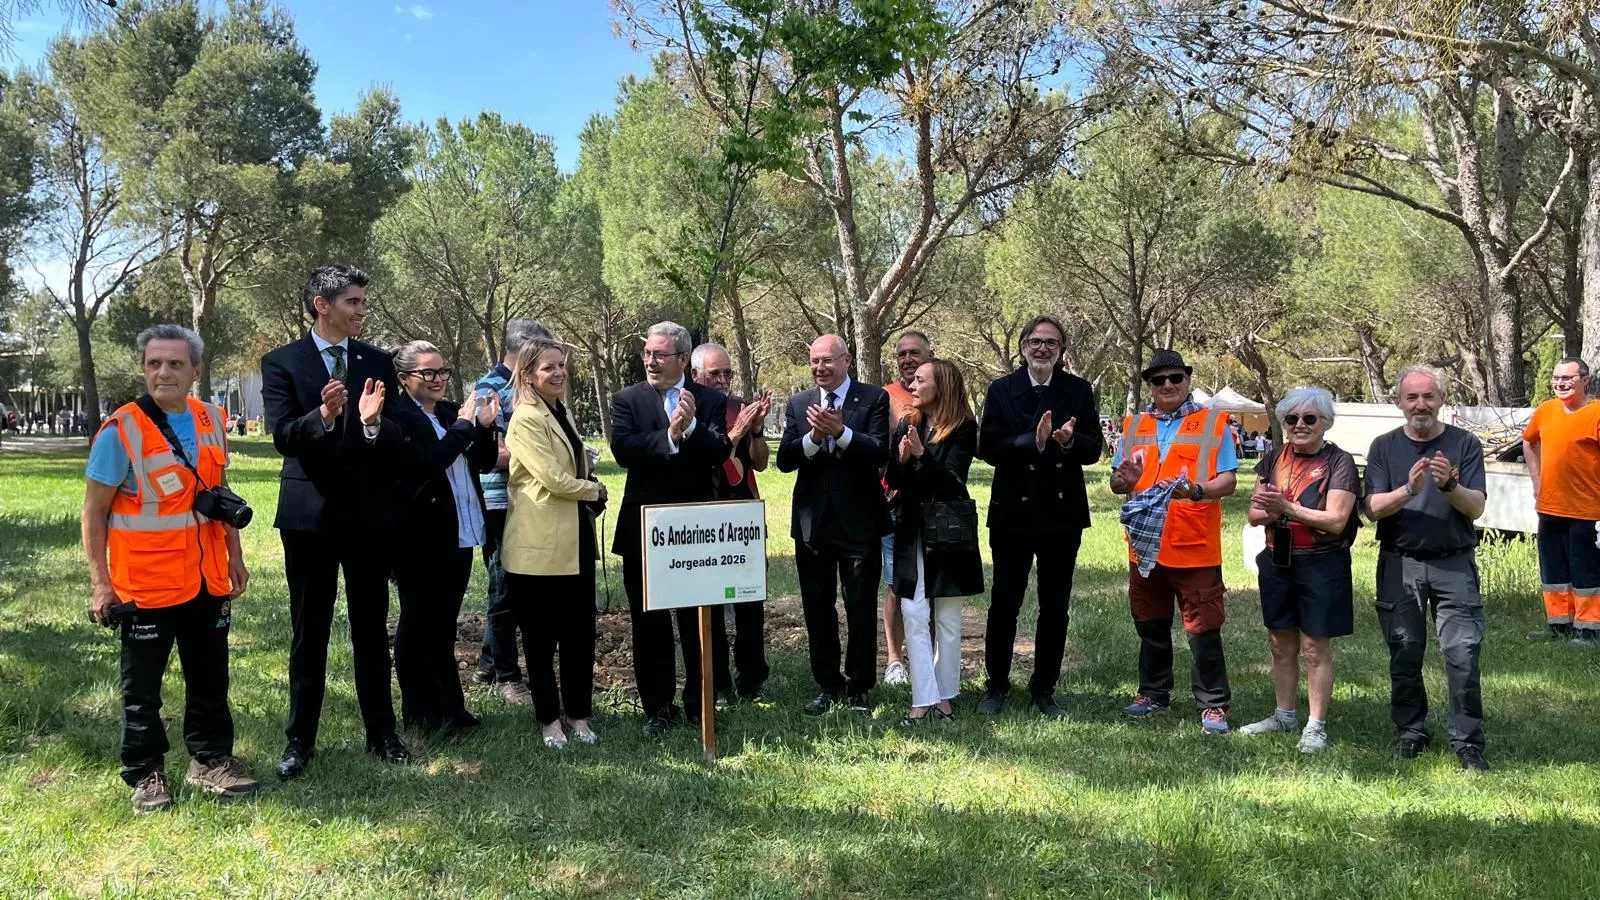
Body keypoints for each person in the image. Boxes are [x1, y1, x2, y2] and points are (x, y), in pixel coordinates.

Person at [82, 324, 258, 813]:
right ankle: (146, 773)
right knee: (143, 690)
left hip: (207, 579)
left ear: (196, 371)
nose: (164, 372)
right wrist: (101, 584)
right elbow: (94, 511)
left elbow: (218, 495)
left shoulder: (211, 418)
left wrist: (235, 556)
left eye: (176, 363)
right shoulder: (122, 430)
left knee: (210, 679)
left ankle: (211, 762)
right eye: (155, 363)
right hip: (145, 586)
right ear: (143, 368)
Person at [260, 262, 408, 779]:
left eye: (364, 303)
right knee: (310, 631)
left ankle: (383, 734)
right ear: (322, 305)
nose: (362, 311)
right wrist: (322, 416)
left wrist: (370, 425)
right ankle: (300, 741)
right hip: (310, 518)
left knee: (371, 629)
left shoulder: (377, 362)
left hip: (368, 517)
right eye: (353, 302)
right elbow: (282, 437)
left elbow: (395, 437)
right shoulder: (282, 363)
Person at [976, 316, 1102, 718]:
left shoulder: (1078, 390)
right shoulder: (1001, 390)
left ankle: (1044, 688)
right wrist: (1034, 440)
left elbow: (1093, 449)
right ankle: (995, 685)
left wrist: (1067, 441)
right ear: (1023, 347)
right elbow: (988, 447)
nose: (1042, 348)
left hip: (1061, 514)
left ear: (1062, 350)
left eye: (1051, 342)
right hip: (1013, 511)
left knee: (1054, 605)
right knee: (1004, 603)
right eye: (1034, 341)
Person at [609, 322, 732, 736]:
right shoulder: (627, 399)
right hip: (644, 528)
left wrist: (692, 427)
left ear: (682, 359)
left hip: (695, 532)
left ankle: (700, 704)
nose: (650, 361)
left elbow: (719, 449)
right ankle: (657, 709)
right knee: (650, 624)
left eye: (659, 354)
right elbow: (624, 450)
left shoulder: (711, 400)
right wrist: (669, 435)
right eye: (647, 353)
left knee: (698, 622)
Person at [1365, 366, 1489, 771]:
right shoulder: (1384, 447)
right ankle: (1411, 731)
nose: (1421, 405)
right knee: (1404, 651)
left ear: (1441, 400)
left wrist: (1450, 486)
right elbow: (1372, 509)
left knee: (1462, 654)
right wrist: (1409, 490)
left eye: (1429, 397)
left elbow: (1476, 507)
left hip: (1454, 562)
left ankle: (1468, 741)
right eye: (1412, 397)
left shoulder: (1464, 443)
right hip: (1400, 562)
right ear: (1399, 402)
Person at [1110, 349, 1238, 733]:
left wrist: (1195, 490)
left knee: (1203, 629)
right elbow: (1118, 483)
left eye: (1175, 378)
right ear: (1148, 384)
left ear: (1187, 380)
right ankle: (1152, 694)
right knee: (1150, 624)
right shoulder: (1133, 425)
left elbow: (1228, 481)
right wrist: (1124, 479)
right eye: (1158, 379)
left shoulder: (1215, 423)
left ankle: (1213, 704)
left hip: (1194, 544)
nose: (1167, 385)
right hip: (1144, 545)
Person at [386, 341, 499, 736]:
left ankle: (452, 708)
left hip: (460, 532)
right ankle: (421, 713)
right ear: (404, 379)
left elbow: (483, 461)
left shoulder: (451, 412)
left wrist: (483, 427)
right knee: (418, 625)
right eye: (427, 373)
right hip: (418, 538)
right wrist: (465, 429)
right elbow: (426, 463)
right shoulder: (396, 417)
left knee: (444, 626)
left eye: (442, 372)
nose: (437, 380)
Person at [777, 334, 892, 716]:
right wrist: (814, 436)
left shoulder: (873, 398)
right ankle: (827, 685)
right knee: (817, 607)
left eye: (827, 361)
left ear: (847, 361)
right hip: (813, 524)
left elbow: (879, 451)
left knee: (859, 606)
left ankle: (859, 687)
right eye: (814, 361)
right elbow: (786, 459)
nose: (820, 368)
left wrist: (841, 433)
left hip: (859, 522)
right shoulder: (799, 403)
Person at [1241, 388, 1359, 753]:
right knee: (1280, 642)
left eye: (1309, 418)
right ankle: (1284, 714)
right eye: (1291, 419)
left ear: (1325, 422)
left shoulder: (1339, 462)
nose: (1299, 425)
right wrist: (1277, 510)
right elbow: (1255, 515)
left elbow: (1337, 520)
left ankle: (1316, 725)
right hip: (1278, 559)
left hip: (1322, 562)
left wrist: (1284, 507)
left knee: (1314, 646)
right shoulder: (1274, 458)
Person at [504, 336, 606, 748]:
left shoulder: (558, 410)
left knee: (580, 636)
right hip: (538, 548)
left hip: (575, 540)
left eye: (561, 365)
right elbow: (552, 479)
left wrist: (587, 472)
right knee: (541, 641)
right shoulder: (526, 418)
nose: (559, 372)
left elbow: (570, 465)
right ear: (527, 374)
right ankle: (549, 721)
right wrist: (594, 491)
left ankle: (578, 716)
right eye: (548, 367)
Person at [885, 359, 983, 725]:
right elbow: (894, 478)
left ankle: (945, 698)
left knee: (948, 619)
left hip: (948, 531)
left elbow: (954, 483)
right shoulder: (907, 424)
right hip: (911, 528)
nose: (912, 383)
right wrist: (901, 458)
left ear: (941, 386)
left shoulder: (963, 428)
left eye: (920, 379)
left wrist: (922, 457)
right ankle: (922, 698)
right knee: (913, 611)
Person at [472, 318, 554, 699]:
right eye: (540, 356)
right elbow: (496, 453)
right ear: (522, 351)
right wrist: (546, 460)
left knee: (514, 583)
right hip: (498, 500)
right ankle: (507, 675)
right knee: (504, 585)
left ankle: (489, 663)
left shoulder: (527, 386)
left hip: (526, 500)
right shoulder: (492, 388)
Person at [691, 342, 773, 704]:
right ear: (696, 375)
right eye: (715, 374)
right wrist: (734, 435)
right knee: (708, 604)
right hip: (703, 519)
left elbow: (758, 464)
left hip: (743, 517)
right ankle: (718, 683)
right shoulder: (686, 407)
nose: (723, 380)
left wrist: (754, 431)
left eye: (728, 373)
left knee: (749, 605)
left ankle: (752, 677)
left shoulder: (740, 407)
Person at [1522, 357, 1600, 645]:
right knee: (1554, 571)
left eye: (1567, 378)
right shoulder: (1546, 411)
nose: (1560, 383)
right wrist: (1537, 481)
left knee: (1585, 570)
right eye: (1556, 378)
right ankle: (1559, 626)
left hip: (1587, 510)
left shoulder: (1596, 414)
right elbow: (1529, 442)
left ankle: (1589, 630)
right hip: (1550, 507)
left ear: (1585, 380)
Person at [879, 330, 931, 687]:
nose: (908, 359)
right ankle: (895, 659)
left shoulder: (942, 392)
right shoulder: (886, 396)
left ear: (930, 355)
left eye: (915, 353)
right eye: (901, 354)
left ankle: (928, 654)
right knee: (897, 585)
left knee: (935, 586)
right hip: (895, 503)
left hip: (937, 503)